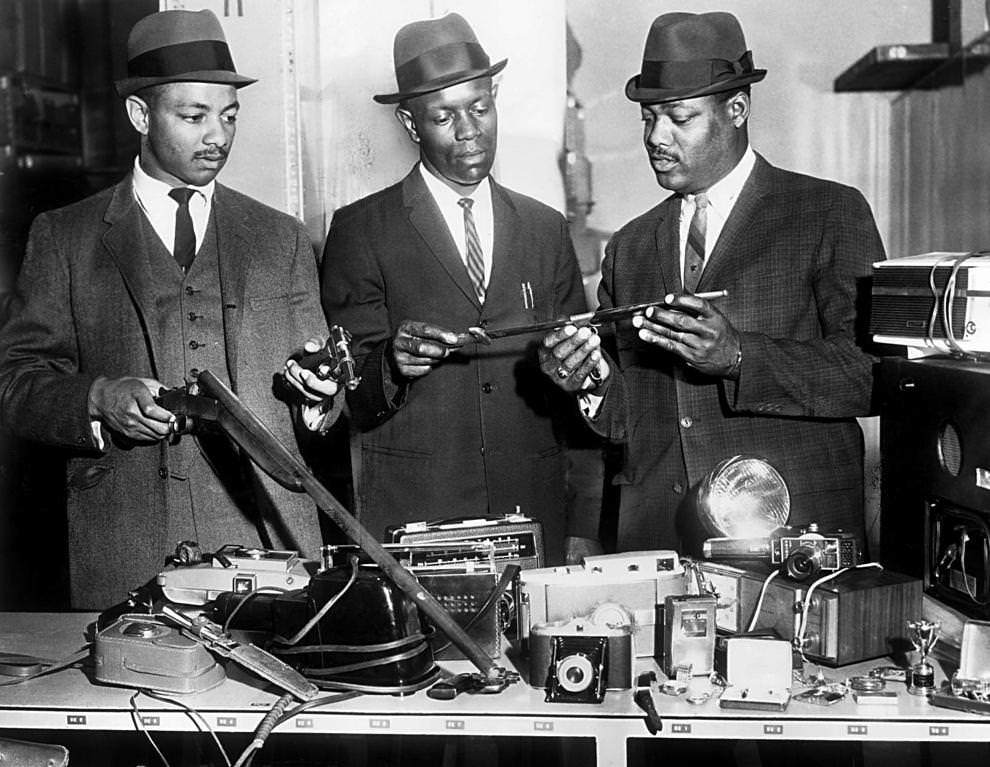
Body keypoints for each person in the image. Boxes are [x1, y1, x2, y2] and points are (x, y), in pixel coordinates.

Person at [0, 9, 340, 610]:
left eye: (229, 116)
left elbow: (323, 394)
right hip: (123, 553)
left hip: (268, 549)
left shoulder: (279, 237)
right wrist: (97, 398)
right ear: (140, 115)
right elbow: (15, 382)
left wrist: (319, 398)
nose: (219, 136)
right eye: (194, 116)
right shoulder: (65, 237)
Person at [539, 11, 885, 556]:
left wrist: (740, 357)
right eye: (649, 118)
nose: (657, 137)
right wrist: (588, 380)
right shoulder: (630, 246)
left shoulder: (828, 212)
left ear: (737, 109)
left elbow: (871, 375)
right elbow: (625, 418)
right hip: (659, 538)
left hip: (788, 531)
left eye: (679, 118)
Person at [320, 13, 603, 566]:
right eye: (443, 116)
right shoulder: (360, 230)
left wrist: (584, 523)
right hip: (415, 521)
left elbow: (579, 388)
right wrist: (390, 363)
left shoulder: (545, 227)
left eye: (479, 107)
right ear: (408, 122)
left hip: (535, 511)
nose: (469, 130)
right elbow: (344, 395)